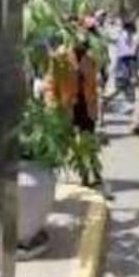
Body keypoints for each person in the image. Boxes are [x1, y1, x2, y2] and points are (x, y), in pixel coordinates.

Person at [43, 30, 102, 186]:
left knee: (88, 140)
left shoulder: (90, 59)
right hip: (67, 106)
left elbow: (93, 84)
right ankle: (62, 176)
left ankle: (90, 173)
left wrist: (96, 106)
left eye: (85, 44)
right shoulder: (60, 57)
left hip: (86, 106)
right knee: (67, 142)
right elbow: (50, 84)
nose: (83, 47)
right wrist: (52, 106)